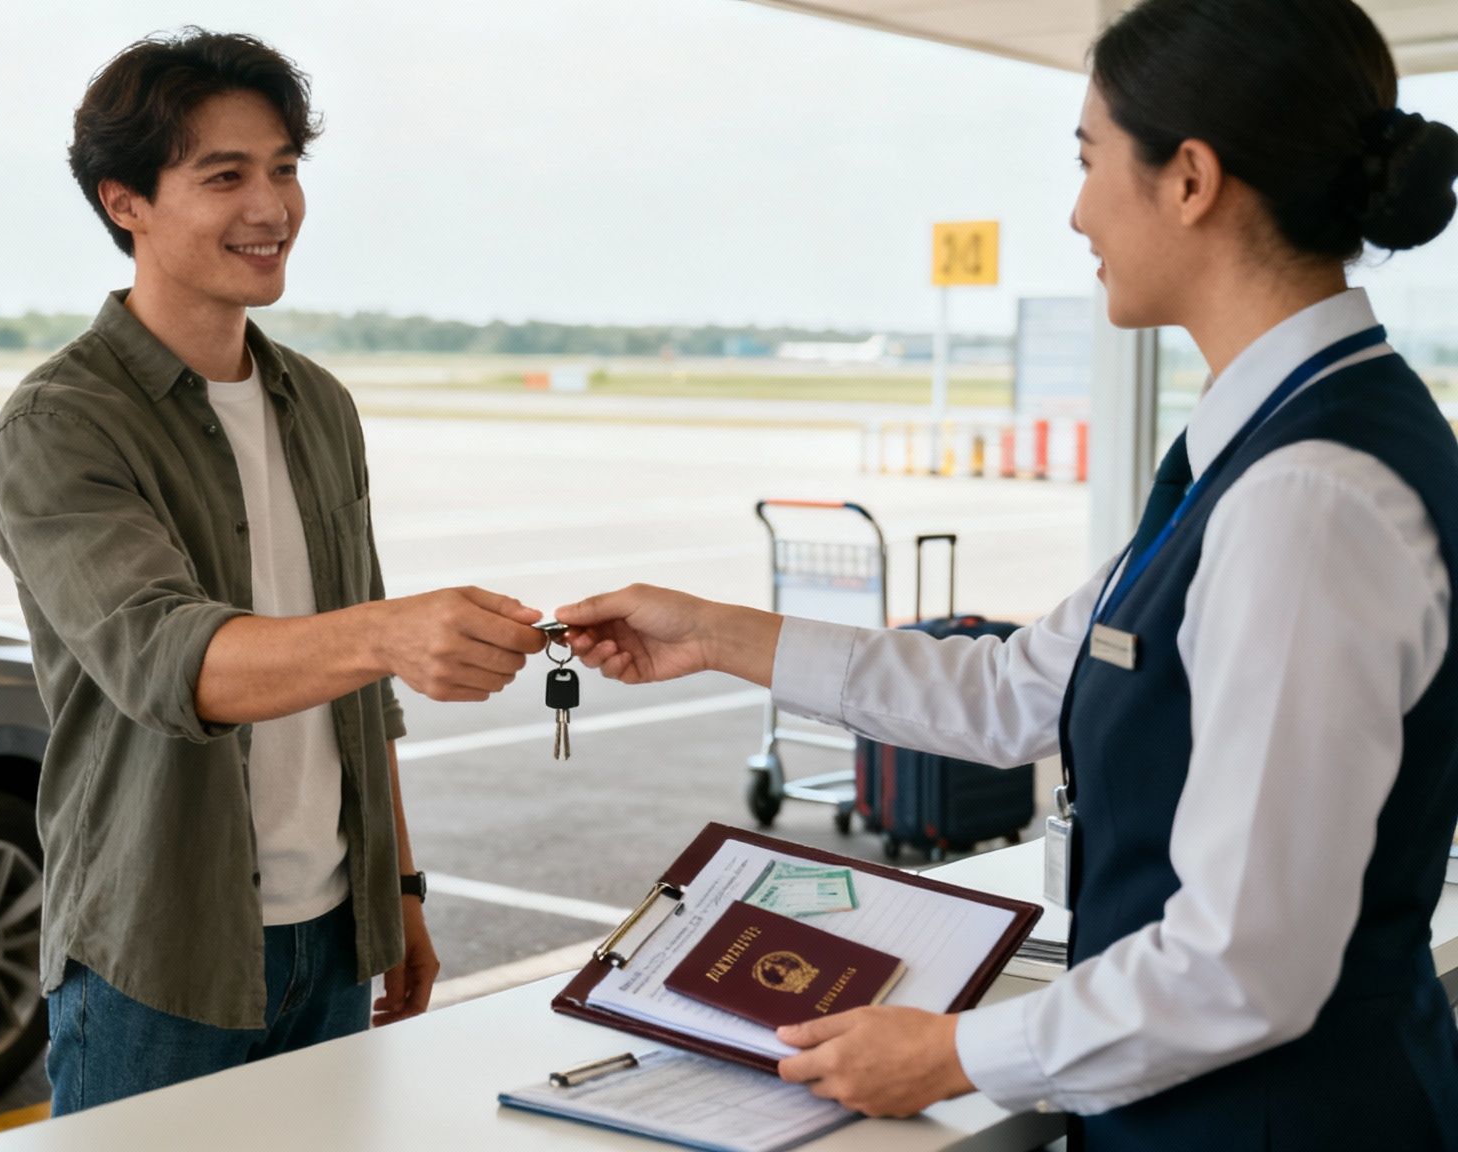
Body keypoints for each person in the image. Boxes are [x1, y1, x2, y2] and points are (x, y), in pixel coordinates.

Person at [557, 0, 1458, 1145]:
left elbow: (1245, 963)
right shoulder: (1273, 441)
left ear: (1187, 179)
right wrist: (711, 632)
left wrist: (952, 1054)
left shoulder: (1304, 497)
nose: (1075, 211)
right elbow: (1017, 688)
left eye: (1087, 161)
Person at [0, 28, 546, 1116]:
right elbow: (170, 661)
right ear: (125, 202)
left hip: (334, 943)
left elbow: (357, 687)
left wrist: (399, 888)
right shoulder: (61, 425)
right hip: (159, 953)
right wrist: (389, 630)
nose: (271, 206)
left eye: (284, 168)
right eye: (224, 175)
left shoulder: (318, 404)